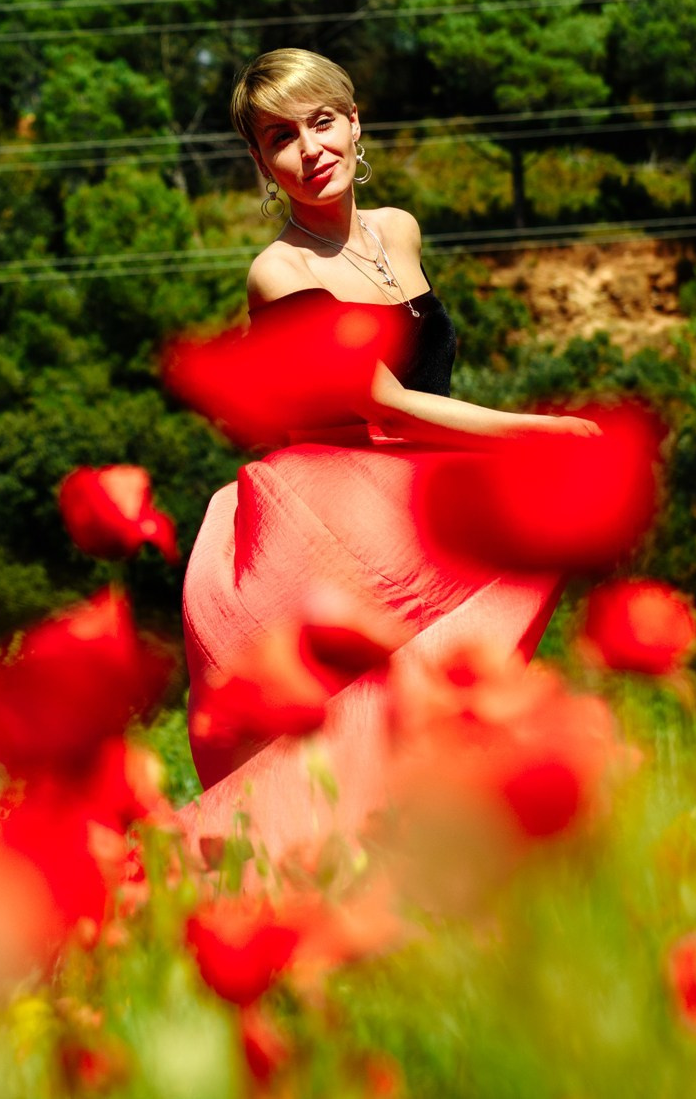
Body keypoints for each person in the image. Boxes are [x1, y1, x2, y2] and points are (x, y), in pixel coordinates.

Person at [180, 48, 586, 859]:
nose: (311, 148)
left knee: (445, 726)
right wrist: (542, 429)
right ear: (262, 160)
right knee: (359, 735)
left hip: (416, 492)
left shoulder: (398, 229)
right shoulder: (280, 270)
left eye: (323, 121)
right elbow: (388, 406)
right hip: (341, 520)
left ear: (355, 122)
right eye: (281, 136)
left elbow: (424, 370)